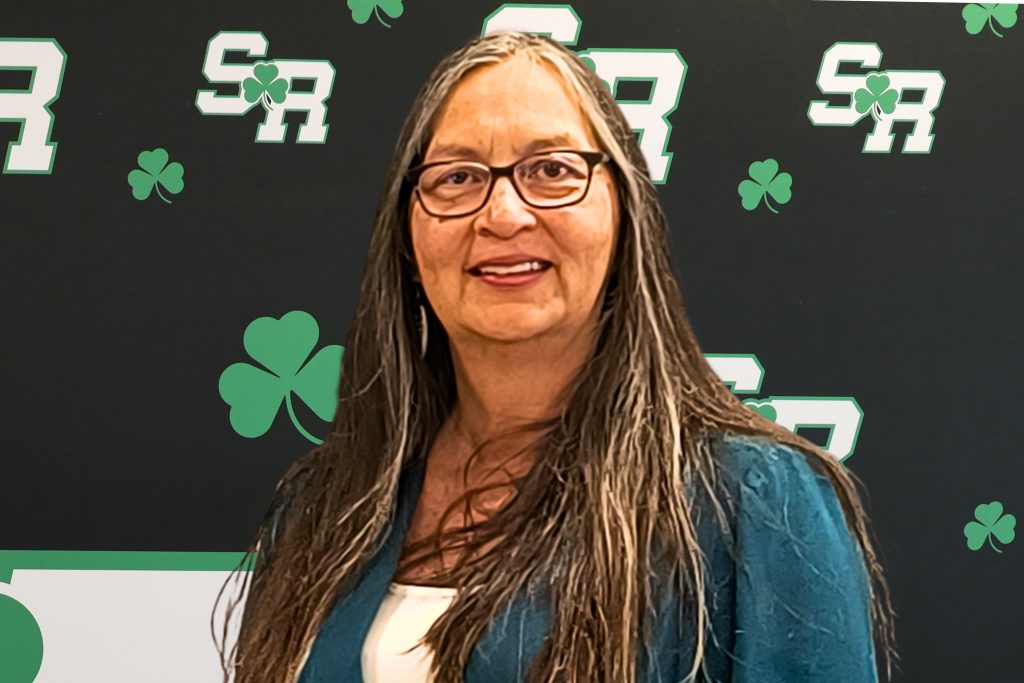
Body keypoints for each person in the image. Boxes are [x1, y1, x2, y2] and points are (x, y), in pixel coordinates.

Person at [216, 31, 898, 683]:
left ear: (623, 215)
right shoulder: (330, 504)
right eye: (456, 177)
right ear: (406, 240)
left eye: (552, 170)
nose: (504, 214)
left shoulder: (753, 502)